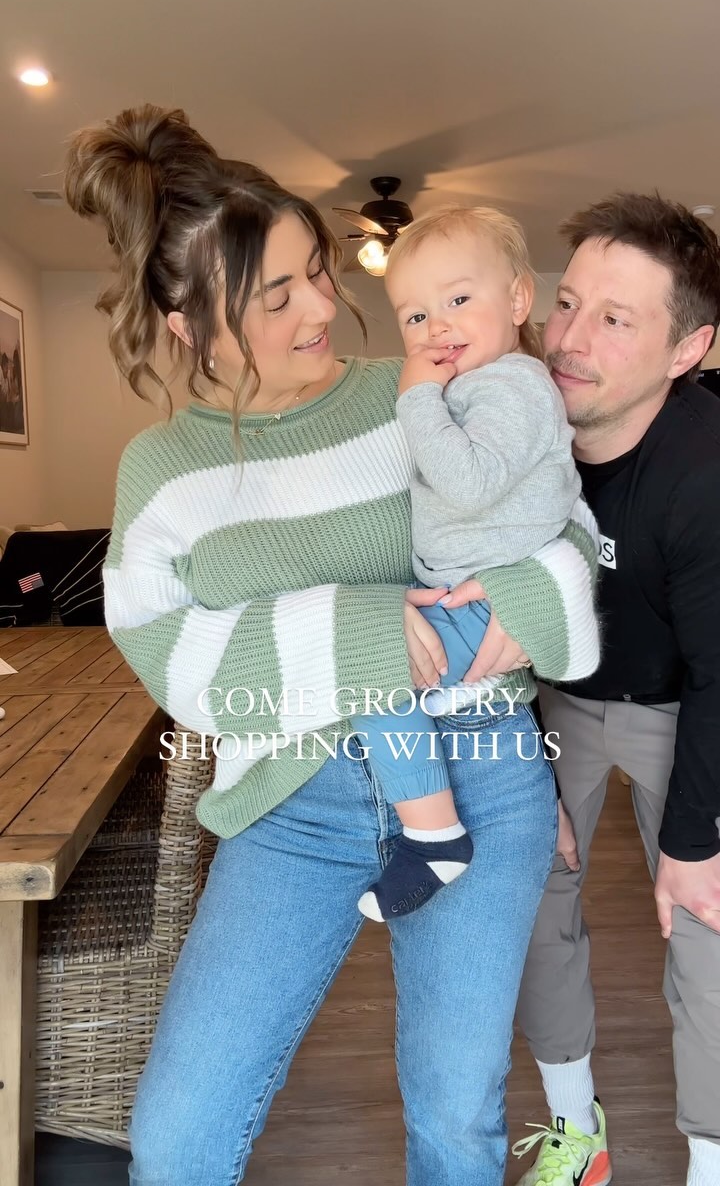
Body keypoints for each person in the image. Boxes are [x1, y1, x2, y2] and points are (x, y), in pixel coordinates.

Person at [64, 103, 598, 1186]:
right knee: (178, 1138)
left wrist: (533, 597)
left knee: (458, 1121)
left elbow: (565, 514)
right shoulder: (161, 472)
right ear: (186, 323)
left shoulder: (424, 389)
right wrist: (356, 630)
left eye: (316, 270)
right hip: (290, 803)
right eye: (277, 296)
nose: (322, 307)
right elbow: (175, 662)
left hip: (482, 772)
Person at [512, 192, 720, 1186]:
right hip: (556, 689)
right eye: (568, 303)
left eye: (615, 318)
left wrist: (692, 842)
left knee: (707, 920)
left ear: (688, 350)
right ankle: (576, 1134)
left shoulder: (705, 475)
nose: (569, 339)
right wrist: (523, 773)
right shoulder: (517, 433)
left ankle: (712, 1160)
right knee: (525, 885)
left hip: (688, 700)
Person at [352, 205, 600, 923]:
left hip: (484, 600)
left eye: (459, 299)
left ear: (518, 299)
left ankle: (433, 838)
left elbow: (467, 483)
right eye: (415, 316)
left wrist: (416, 397)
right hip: (460, 592)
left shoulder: (511, 386)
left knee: (370, 672)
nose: (438, 327)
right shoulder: (477, 386)